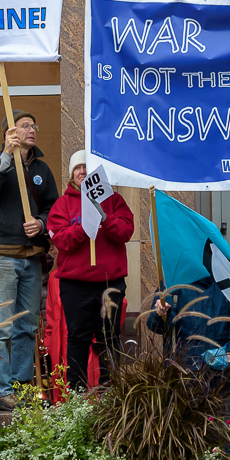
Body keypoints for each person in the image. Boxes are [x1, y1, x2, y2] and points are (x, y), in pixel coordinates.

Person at [0, 109, 58, 410]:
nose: (32, 130)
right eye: (24, 126)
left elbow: (53, 207)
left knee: (27, 326)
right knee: (2, 326)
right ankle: (1, 391)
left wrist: (40, 222)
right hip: (2, 256)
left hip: (32, 257)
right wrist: (5, 155)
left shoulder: (42, 169)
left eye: (34, 125)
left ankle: (23, 388)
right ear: (9, 134)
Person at [45, 153, 134, 389]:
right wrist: (83, 228)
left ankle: (110, 388)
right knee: (77, 338)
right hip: (76, 285)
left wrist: (105, 218)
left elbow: (126, 231)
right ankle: (76, 392)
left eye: (87, 167)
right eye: (78, 168)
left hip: (110, 283)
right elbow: (61, 240)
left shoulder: (114, 201)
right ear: (71, 173)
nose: (83, 172)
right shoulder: (62, 205)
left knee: (109, 336)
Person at [145, 276, 230, 391]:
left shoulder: (224, 282)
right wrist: (159, 313)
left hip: (219, 377)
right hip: (183, 374)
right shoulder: (171, 281)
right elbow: (156, 326)